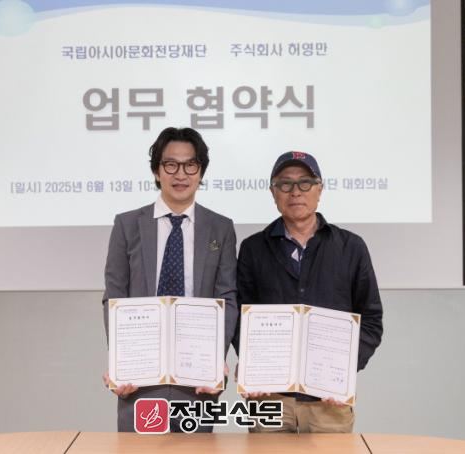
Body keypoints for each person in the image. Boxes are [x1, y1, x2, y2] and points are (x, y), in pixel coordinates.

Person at [235, 151, 383, 433]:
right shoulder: (253, 249)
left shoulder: (351, 247)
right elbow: (241, 318)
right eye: (285, 184)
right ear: (273, 192)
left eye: (305, 183)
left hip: (329, 402)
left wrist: (343, 371)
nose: (295, 192)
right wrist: (252, 366)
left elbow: (371, 320)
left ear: (320, 189)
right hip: (270, 399)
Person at [102, 126, 238, 432]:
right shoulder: (127, 225)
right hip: (140, 382)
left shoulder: (221, 228)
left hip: (197, 381)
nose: (181, 175)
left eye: (190, 165)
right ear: (156, 171)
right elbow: (114, 297)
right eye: (171, 165)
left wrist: (214, 359)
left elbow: (227, 298)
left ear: (201, 171)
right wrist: (122, 361)